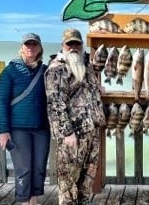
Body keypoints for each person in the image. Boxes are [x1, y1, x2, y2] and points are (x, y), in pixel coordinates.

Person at [45, 28, 106, 205]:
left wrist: (98, 90)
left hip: (92, 132)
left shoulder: (84, 65)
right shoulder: (55, 70)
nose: (73, 47)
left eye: (76, 43)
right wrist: (67, 133)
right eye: (69, 43)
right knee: (68, 184)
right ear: (62, 45)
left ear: (81, 45)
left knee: (86, 184)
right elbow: (55, 105)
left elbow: (88, 89)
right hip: (73, 136)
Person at [0, 33, 50, 205]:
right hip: (18, 129)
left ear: (40, 48)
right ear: (22, 47)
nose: (31, 47)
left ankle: (33, 200)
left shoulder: (46, 71)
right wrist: (3, 131)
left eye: (34, 44)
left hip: (42, 129)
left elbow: (64, 87)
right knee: (24, 169)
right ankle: (23, 202)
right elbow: (1, 102)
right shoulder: (10, 71)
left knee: (39, 168)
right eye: (27, 44)